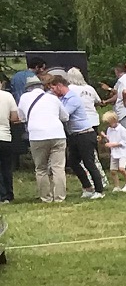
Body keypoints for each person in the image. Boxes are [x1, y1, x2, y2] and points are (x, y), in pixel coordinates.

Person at [23, 73, 71, 202]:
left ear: (28, 88)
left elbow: (22, 117)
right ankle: (60, 197)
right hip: (57, 134)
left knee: (41, 168)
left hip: (37, 136)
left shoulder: (24, 98)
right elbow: (65, 117)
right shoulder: (53, 98)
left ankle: (46, 197)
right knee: (58, 167)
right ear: (42, 86)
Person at [63, 69, 105, 199]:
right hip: (93, 121)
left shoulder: (70, 90)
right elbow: (99, 102)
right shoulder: (89, 88)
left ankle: (98, 188)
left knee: (88, 161)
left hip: (82, 126)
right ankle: (92, 185)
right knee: (88, 158)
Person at [101, 103, 126, 192]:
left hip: (122, 152)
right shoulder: (109, 129)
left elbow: (124, 142)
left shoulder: (122, 130)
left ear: (114, 120)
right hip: (114, 153)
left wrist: (112, 145)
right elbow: (109, 138)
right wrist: (105, 137)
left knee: (121, 169)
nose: (108, 125)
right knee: (113, 170)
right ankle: (117, 186)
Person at [0, 83, 18, 203]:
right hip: (5, 136)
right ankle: (9, 194)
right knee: (6, 167)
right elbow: (14, 117)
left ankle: (2, 195)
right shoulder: (8, 96)